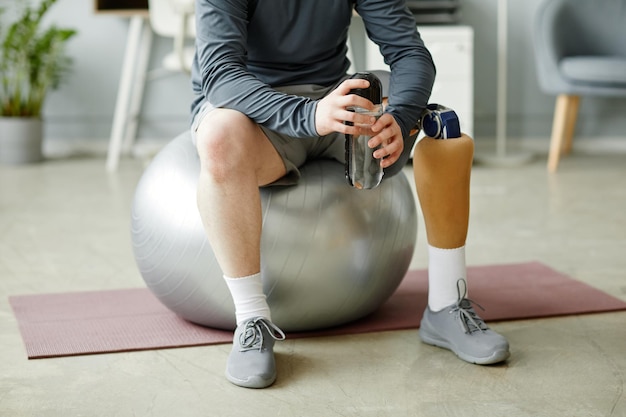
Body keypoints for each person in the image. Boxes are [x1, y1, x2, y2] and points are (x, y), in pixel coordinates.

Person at [190, 0, 510, 389]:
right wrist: (309, 116)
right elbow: (222, 75)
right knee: (219, 137)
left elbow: (409, 52)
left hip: (333, 103)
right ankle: (253, 321)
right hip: (252, 113)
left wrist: (402, 117)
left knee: (443, 127)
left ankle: (446, 305)